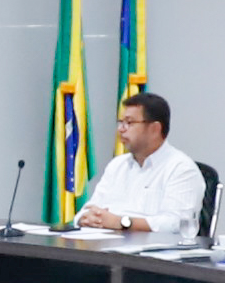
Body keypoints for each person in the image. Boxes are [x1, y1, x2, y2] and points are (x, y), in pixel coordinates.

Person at [73, 91, 205, 236]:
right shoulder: (117, 165)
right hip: (106, 244)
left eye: (129, 123)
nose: (121, 129)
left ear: (155, 129)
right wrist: (86, 219)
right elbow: (88, 210)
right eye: (120, 122)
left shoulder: (181, 169)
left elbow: (176, 224)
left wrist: (122, 222)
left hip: (153, 248)